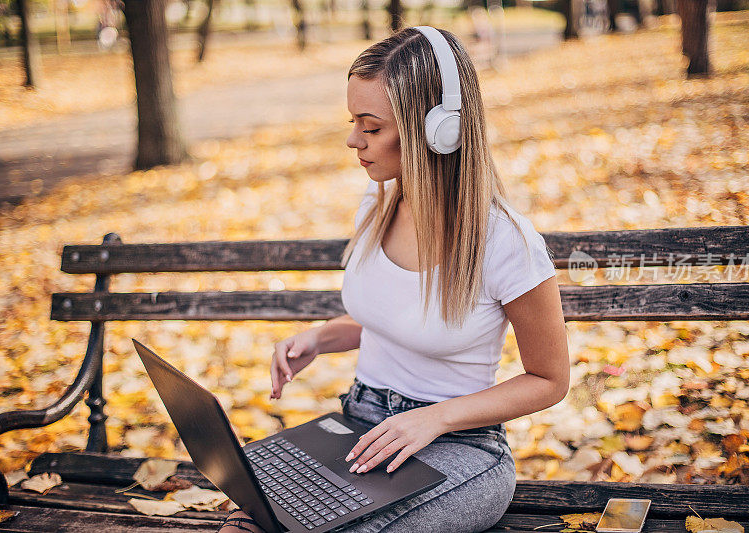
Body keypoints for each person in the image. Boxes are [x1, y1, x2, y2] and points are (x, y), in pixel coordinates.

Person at [218, 26, 570, 533]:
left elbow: (549, 380)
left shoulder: (506, 242)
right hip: (360, 424)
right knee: (250, 513)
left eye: (372, 127)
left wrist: (436, 417)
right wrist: (320, 337)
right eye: (353, 122)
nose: (353, 140)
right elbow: (396, 320)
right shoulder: (379, 199)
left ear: (439, 129)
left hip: (459, 448)